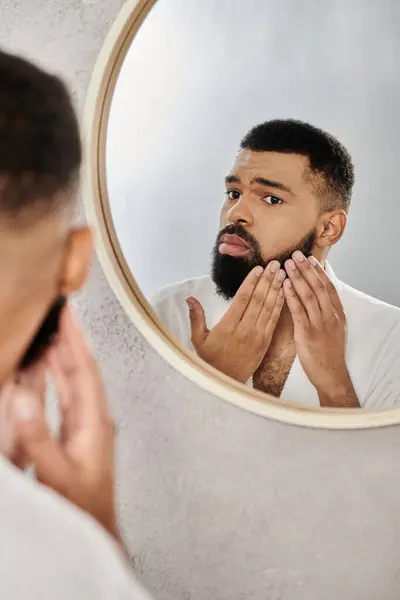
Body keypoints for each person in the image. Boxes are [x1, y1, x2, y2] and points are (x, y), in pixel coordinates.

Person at [0, 48, 151, 599]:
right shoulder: (65, 568)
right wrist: (92, 534)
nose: (238, 212)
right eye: (234, 192)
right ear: (75, 260)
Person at [152, 120, 400, 409]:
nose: (236, 213)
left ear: (329, 228)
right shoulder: (167, 315)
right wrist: (217, 379)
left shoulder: (391, 340)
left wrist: (334, 384)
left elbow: (379, 455)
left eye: (271, 199)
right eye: (234, 193)